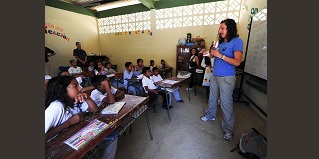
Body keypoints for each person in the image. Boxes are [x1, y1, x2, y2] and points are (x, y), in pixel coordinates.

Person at [200, 19, 243, 141]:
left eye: (222, 28)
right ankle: (210, 115)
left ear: (230, 29)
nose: (220, 31)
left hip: (227, 78)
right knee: (212, 99)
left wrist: (221, 56)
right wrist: (206, 53)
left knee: (225, 104)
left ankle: (228, 130)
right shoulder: (220, 43)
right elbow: (213, 55)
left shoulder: (237, 41)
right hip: (215, 75)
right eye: (220, 28)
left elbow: (237, 62)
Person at [45, 76, 99, 142]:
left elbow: (95, 110)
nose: (80, 88)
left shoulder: (74, 100)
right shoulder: (57, 107)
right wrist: (69, 123)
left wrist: (88, 98)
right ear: (62, 89)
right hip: (57, 145)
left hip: (74, 137)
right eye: (75, 86)